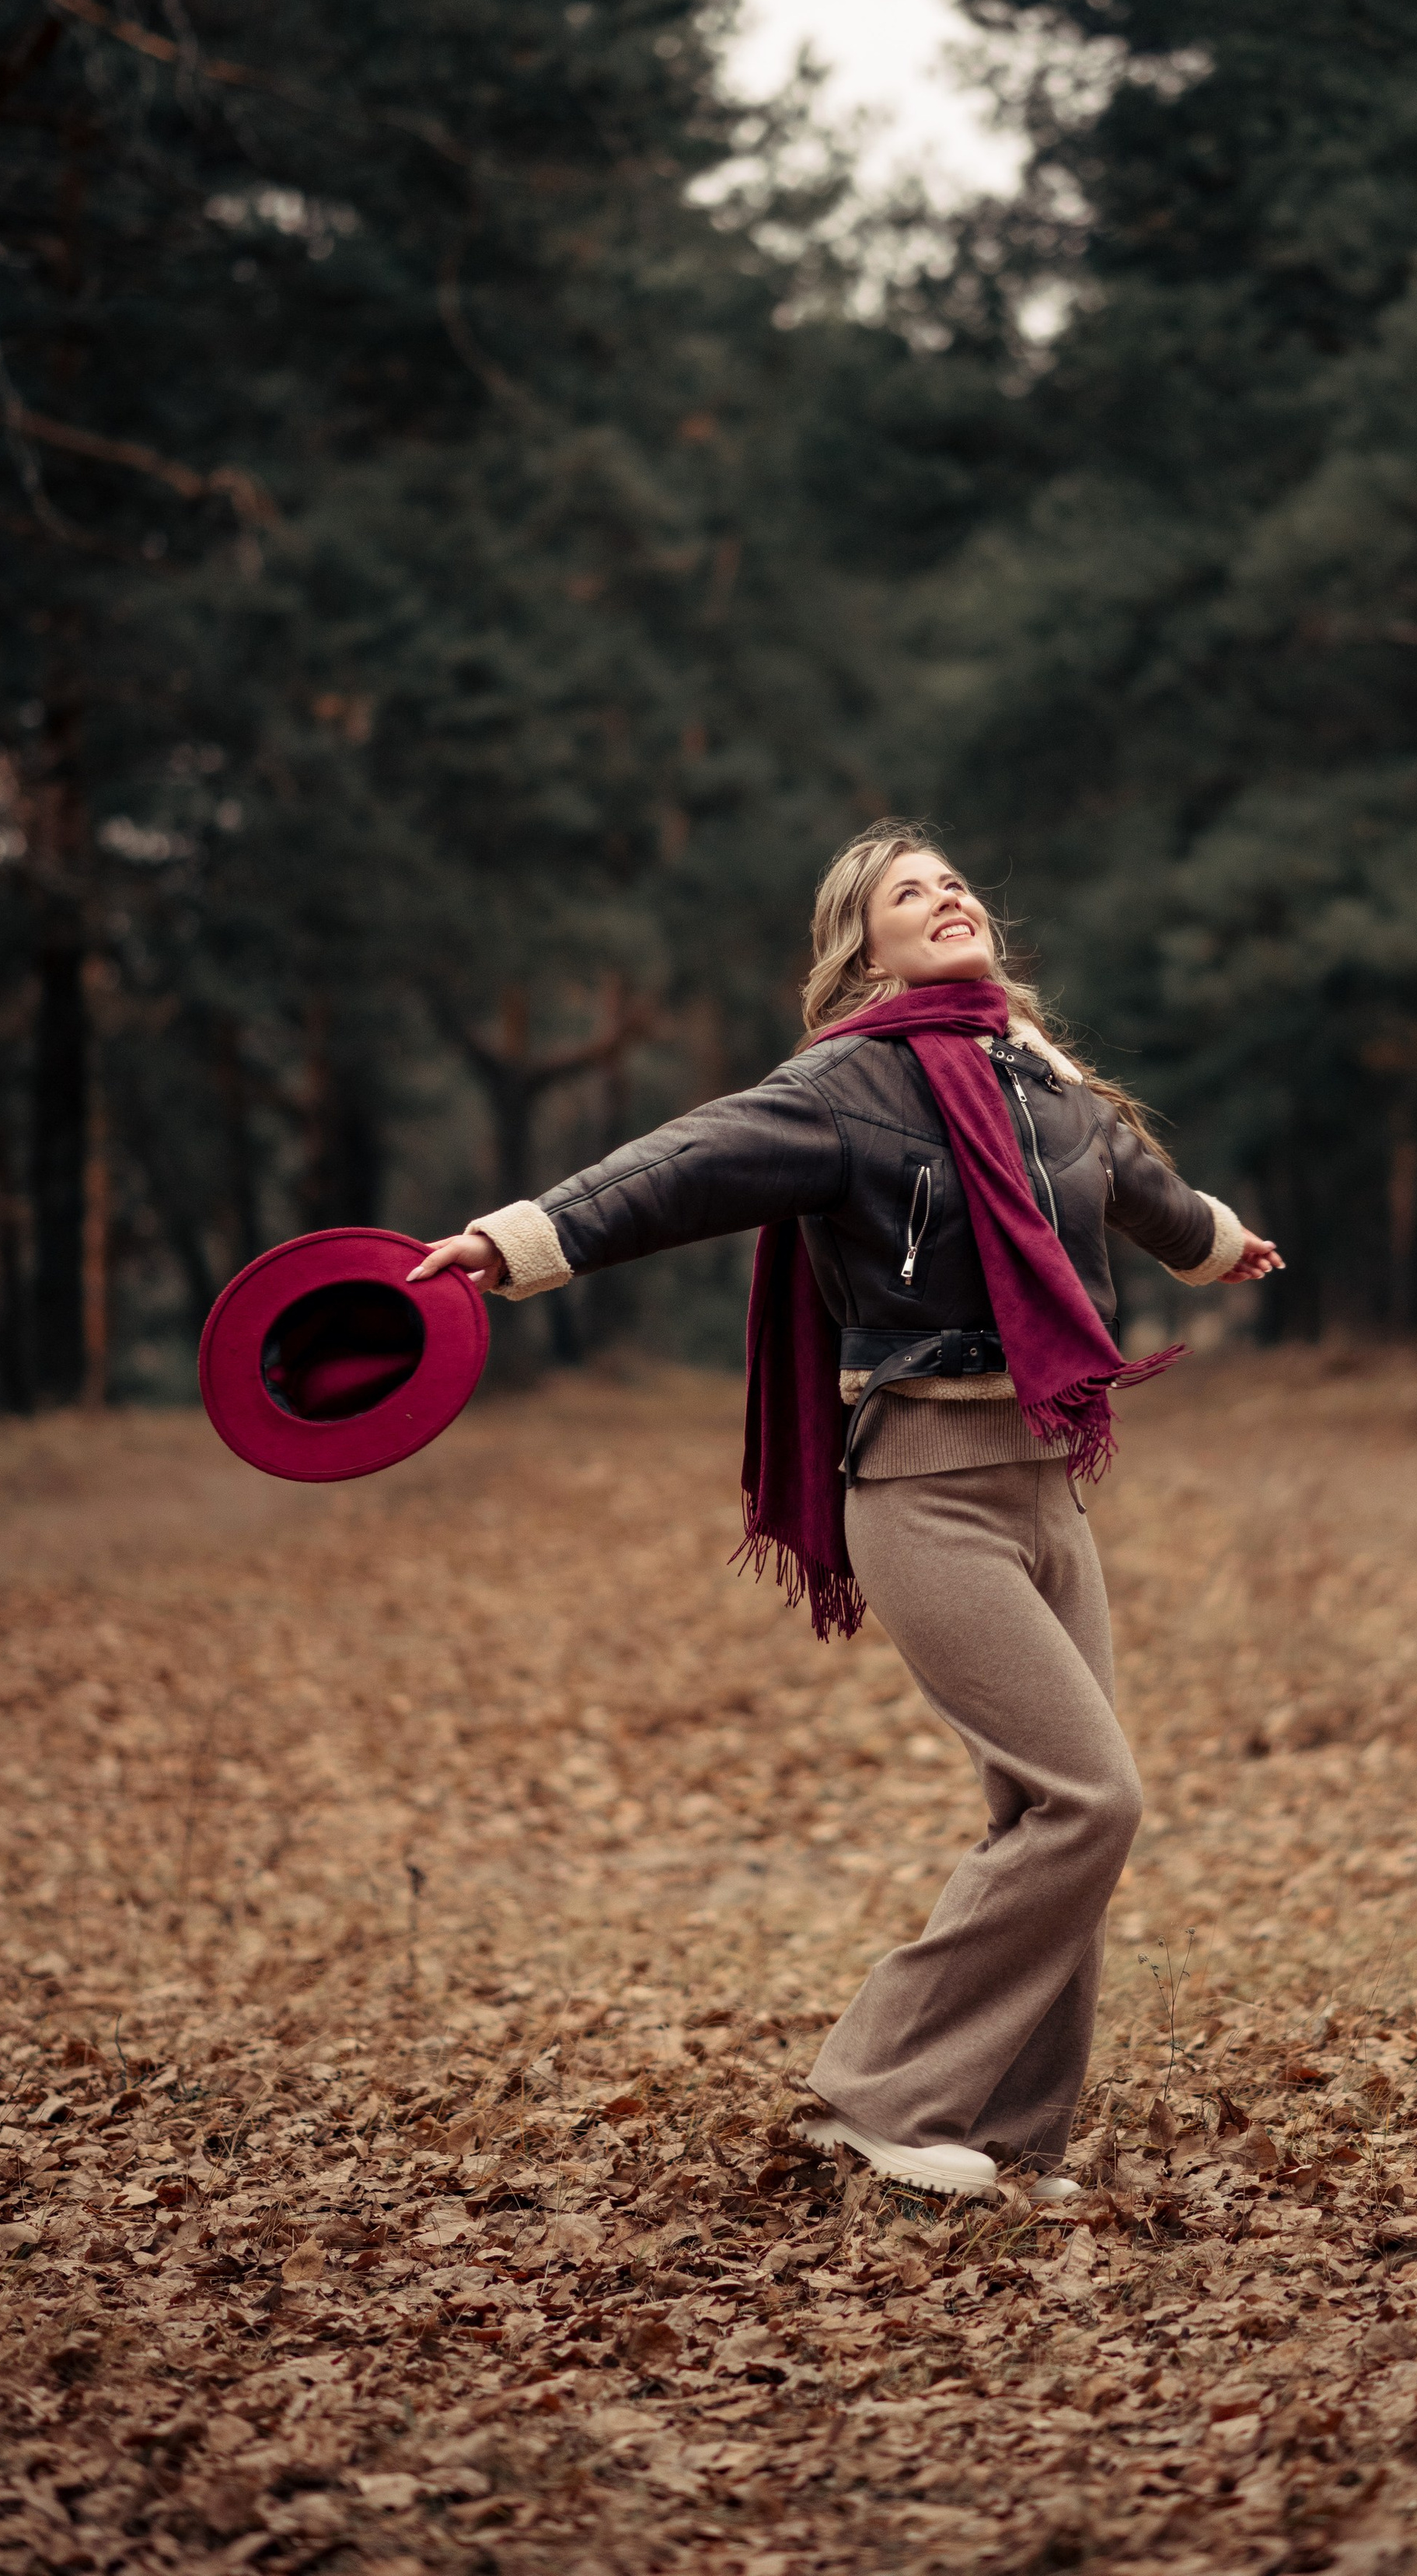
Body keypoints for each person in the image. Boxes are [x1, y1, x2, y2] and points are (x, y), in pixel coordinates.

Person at [411, 820, 1279, 2201]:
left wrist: (1223, 1244)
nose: (944, 898)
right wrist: (523, 1238)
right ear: (859, 950)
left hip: (1048, 1480)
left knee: (1040, 1816)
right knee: (1091, 1800)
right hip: (924, 1488)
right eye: (906, 894)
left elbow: (1139, 1187)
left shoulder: (1043, 1080)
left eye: (955, 882)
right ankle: (878, 2094)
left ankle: (1010, 2135)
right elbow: (677, 1166)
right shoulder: (845, 1088)